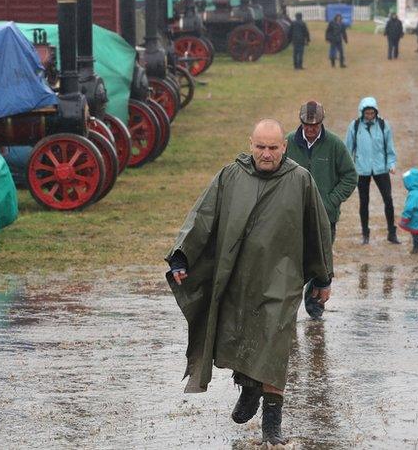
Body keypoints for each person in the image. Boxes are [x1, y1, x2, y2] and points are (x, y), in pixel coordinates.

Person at [165, 119, 333, 445]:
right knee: (237, 336)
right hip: (238, 275)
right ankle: (249, 386)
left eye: (273, 148)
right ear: (250, 144)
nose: (266, 154)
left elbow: (317, 229)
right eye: (260, 147)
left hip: (281, 280)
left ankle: (273, 419)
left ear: (284, 147)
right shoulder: (231, 176)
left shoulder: (300, 181)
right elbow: (203, 215)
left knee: (275, 342)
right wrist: (181, 255)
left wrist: (323, 277)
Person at [285, 101, 356, 319]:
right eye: (306, 124)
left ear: (321, 123)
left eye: (314, 125)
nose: (310, 129)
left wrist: (330, 201)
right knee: (292, 263)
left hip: (326, 217)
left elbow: (350, 176)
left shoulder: (334, 144)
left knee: (320, 261)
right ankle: (288, 309)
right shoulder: (287, 143)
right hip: (293, 217)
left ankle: (315, 306)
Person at [344, 97, 399, 244]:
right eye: (367, 113)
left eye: (371, 113)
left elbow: (390, 148)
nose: (369, 116)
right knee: (364, 202)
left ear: (376, 112)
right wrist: (347, 169)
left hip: (381, 168)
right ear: (362, 113)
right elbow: (348, 149)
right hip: (361, 170)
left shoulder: (383, 125)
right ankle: (365, 234)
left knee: (388, 200)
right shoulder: (354, 126)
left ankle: (391, 233)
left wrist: (391, 164)